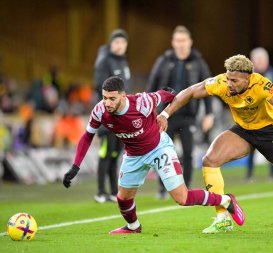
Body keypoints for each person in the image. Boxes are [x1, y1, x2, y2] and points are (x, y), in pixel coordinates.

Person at [157, 54, 273, 233]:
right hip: (243, 130)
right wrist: (165, 114)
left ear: (247, 78)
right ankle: (222, 218)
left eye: (234, 80)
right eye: (228, 78)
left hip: (269, 132)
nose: (229, 84)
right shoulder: (221, 83)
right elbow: (190, 92)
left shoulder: (260, 85)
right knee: (210, 160)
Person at [62, 76, 245, 234]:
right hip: (133, 154)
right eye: (104, 98)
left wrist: (170, 95)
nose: (107, 103)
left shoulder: (141, 103)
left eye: (111, 98)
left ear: (123, 96)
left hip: (159, 148)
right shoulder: (100, 111)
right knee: (123, 198)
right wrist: (75, 167)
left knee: (182, 198)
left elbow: (161, 95)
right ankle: (133, 227)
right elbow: (87, 137)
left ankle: (226, 199)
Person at [146, 25, 213, 199]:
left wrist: (209, 114)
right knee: (163, 152)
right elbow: (151, 86)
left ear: (190, 42)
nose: (181, 44)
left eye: (184, 40)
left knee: (189, 153)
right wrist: (149, 110)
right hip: (165, 115)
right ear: (173, 42)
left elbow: (209, 87)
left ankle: (187, 187)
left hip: (188, 116)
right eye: (178, 40)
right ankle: (163, 188)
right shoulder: (164, 60)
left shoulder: (198, 61)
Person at [93, 28, 131, 203]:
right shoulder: (104, 61)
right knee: (105, 154)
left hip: (121, 118)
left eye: (122, 42)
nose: (120, 45)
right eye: (116, 42)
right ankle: (101, 192)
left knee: (115, 154)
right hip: (108, 118)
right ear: (111, 44)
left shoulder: (123, 62)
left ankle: (113, 191)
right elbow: (98, 88)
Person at [246, 47, 273, 181]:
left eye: (262, 59)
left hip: (271, 117)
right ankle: (249, 174)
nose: (260, 62)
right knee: (251, 146)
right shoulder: (247, 75)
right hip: (253, 117)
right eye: (257, 59)